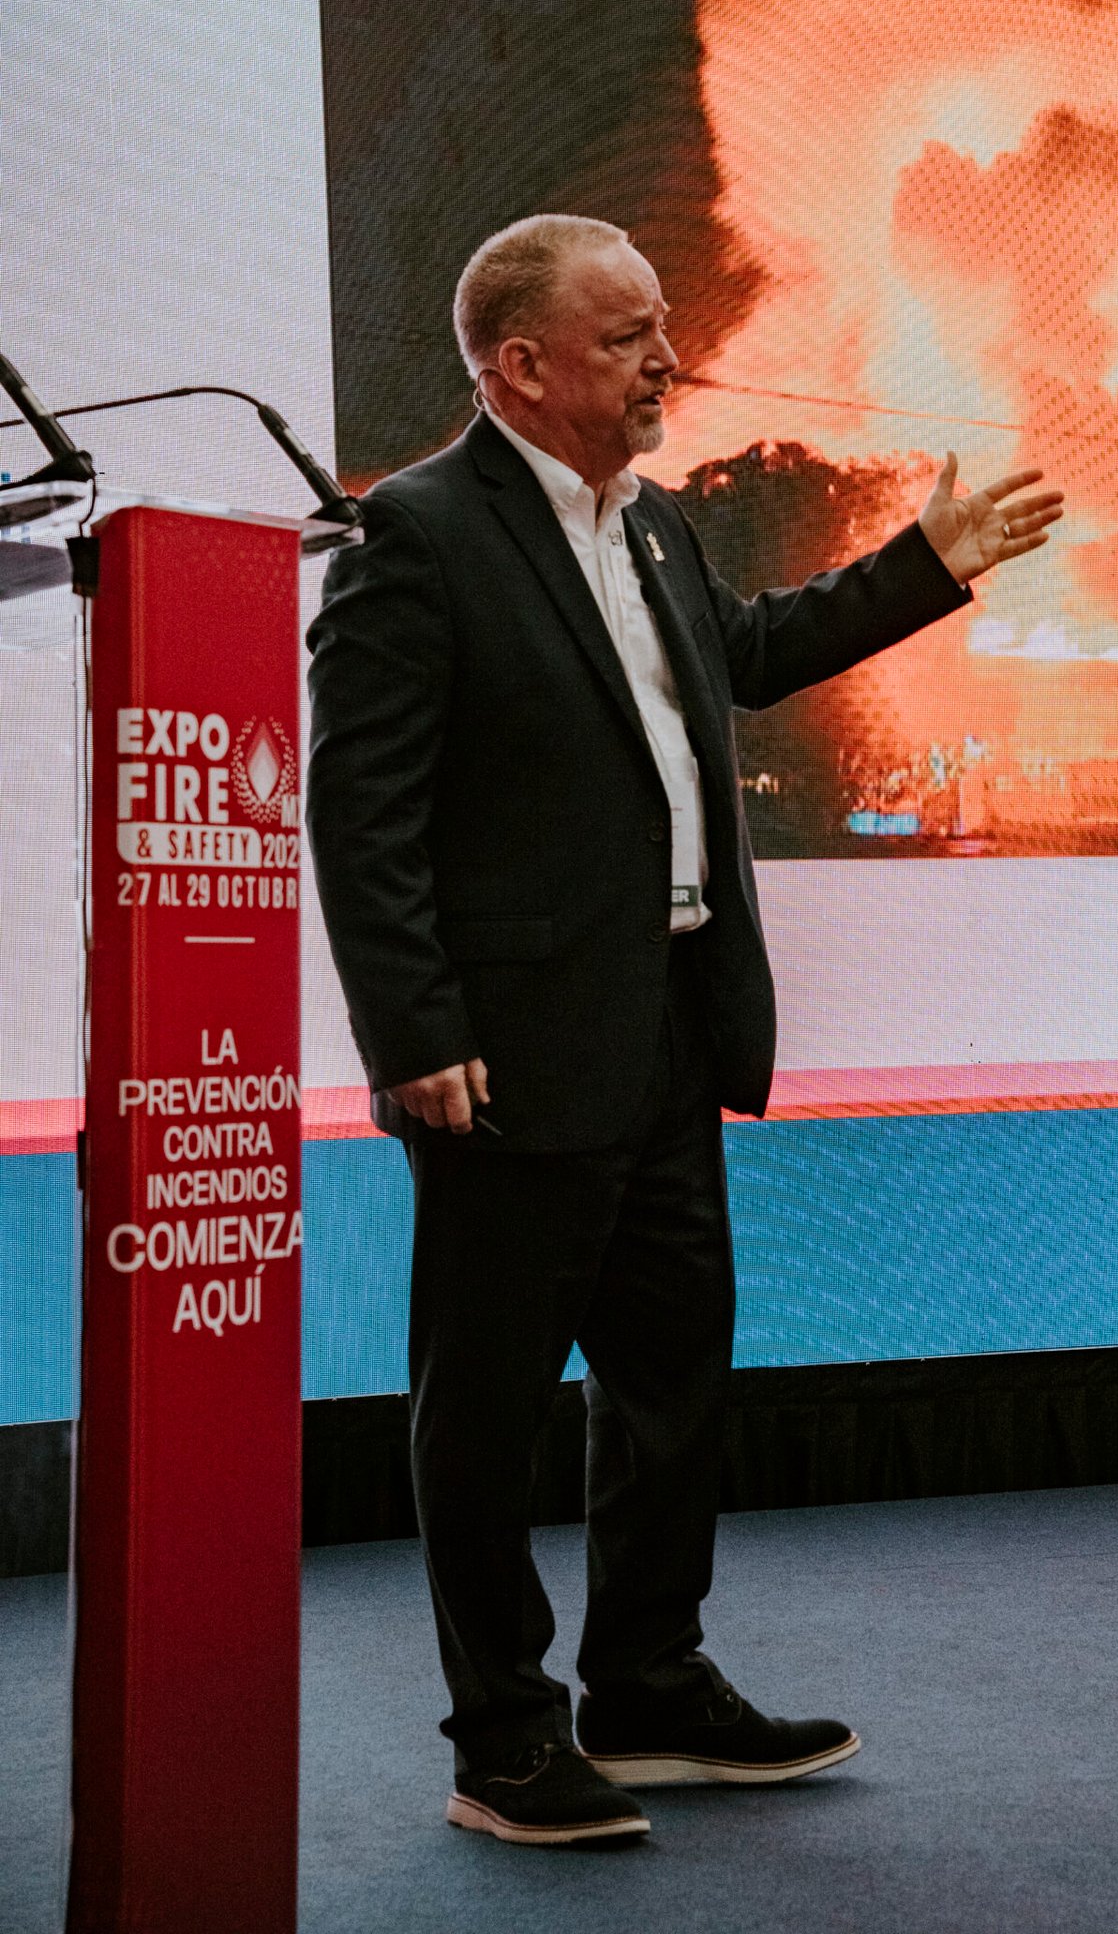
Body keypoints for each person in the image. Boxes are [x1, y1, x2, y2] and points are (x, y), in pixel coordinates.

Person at [305, 213, 1063, 1848]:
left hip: (667, 1026)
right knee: (486, 1410)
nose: (669, 359)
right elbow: (360, 814)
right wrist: (412, 1031)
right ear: (521, 366)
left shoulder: (652, 526)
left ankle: (646, 1690)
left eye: (662, 328)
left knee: (672, 1383)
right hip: (503, 1059)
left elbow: (749, 658)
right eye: (629, 335)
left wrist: (928, 560)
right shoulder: (415, 534)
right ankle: (505, 1743)